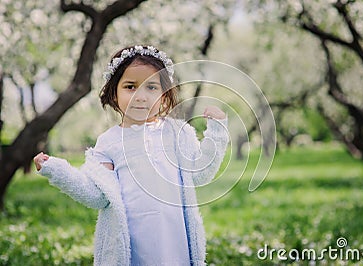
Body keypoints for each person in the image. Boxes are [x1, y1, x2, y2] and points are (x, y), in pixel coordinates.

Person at [34, 45, 229, 266]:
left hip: (175, 239)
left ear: (165, 94)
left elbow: (200, 172)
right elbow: (96, 195)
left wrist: (217, 130)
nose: (141, 96)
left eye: (151, 87)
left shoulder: (177, 132)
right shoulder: (109, 142)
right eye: (130, 86)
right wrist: (57, 170)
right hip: (133, 244)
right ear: (113, 93)